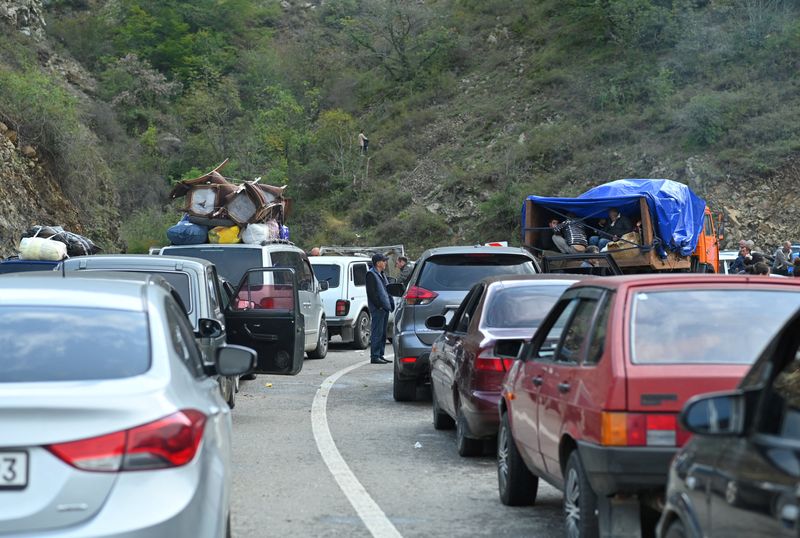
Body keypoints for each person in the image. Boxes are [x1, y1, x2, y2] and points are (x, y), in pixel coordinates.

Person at [366, 253, 394, 364]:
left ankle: (380, 355)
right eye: (384, 261)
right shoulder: (371, 275)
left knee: (382, 333)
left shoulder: (381, 274)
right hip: (378, 308)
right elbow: (372, 293)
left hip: (384, 308)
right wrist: (380, 305)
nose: (385, 263)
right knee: (377, 332)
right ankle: (375, 356)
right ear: (378, 263)